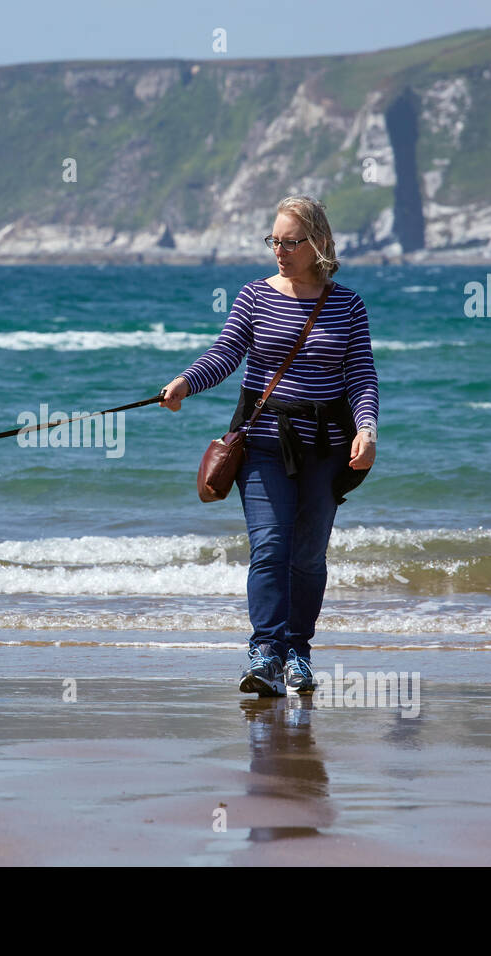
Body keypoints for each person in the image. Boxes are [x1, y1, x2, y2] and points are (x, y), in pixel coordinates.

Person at [160, 196, 378, 696]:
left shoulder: (347, 304)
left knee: (307, 556)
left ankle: (297, 651)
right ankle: (264, 654)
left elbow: (361, 374)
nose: (279, 250)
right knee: (270, 547)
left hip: (325, 446)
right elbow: (226, 353)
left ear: (318, 243)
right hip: (262, 442)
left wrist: (366, 429)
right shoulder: (255, 297)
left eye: (290, 241)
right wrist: (185, 384)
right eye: (273, 241)